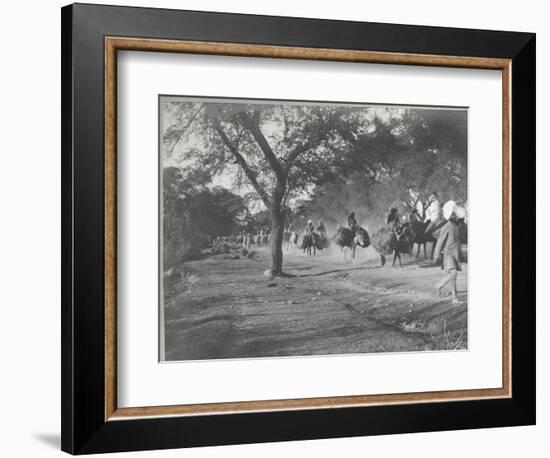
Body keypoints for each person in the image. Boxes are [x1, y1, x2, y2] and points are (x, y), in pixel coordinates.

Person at [433, 208, 462, 305]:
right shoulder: (447, 226)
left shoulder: (457, 226)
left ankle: (439, 286)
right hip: (448, 254)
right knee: (453, 273)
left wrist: (461, 254)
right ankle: (454, 298)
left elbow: (458, 242)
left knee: (452, 275)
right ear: (449, 216)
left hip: (455, 254)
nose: (455, 216)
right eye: (453, 215)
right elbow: (440, 241)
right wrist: (436, 255)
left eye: (455, 215)